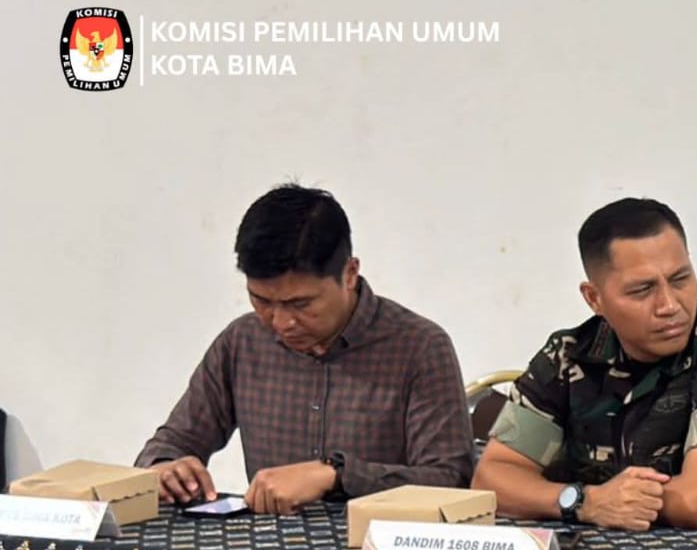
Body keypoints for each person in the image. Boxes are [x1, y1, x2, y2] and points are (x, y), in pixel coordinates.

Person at [136, 184, 474, 513]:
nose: (281, 322)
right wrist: (166, 468)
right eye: (261, 301)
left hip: (378, 545)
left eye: (301, 304)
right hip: (266, 546)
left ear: (350, 274)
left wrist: (337, 476)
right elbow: (171, 444)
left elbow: (450, 481)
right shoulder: (242, 342)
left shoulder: (418, 347)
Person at [473, 198, 697, 530]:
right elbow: (491, 481)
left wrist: (610, 501)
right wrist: (586, 502)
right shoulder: (567, 356)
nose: (669, 305)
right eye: (642, 290)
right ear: (594, 298)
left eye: (680, 279)